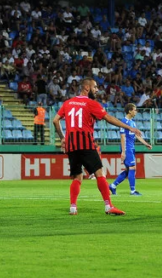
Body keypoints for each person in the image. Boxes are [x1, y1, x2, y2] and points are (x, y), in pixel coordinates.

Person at [52, 78, 142, 216]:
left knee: (77, 177)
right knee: (100, 174)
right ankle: (108, 206)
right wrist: (130, 127)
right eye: (95, 87)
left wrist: (62, 138)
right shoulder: (91, 103)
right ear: (87, 88)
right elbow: (109, 118)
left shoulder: (68, 103)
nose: (97, 90)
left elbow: (55, 120)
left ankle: (73, 207)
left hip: (71, 145)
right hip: (86, 143)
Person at [109, 103, 152, 196]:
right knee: (133, 167)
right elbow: (122, 137)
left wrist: (146, 144)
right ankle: (133, 191)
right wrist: (123, 152)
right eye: (134, 110)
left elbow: (137, 135)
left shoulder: (132, 122)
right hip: (127, 148)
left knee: (129, 170)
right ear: (129, 111)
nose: (136, 111)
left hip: (131, 147)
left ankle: (113, 185)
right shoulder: (123, 122)